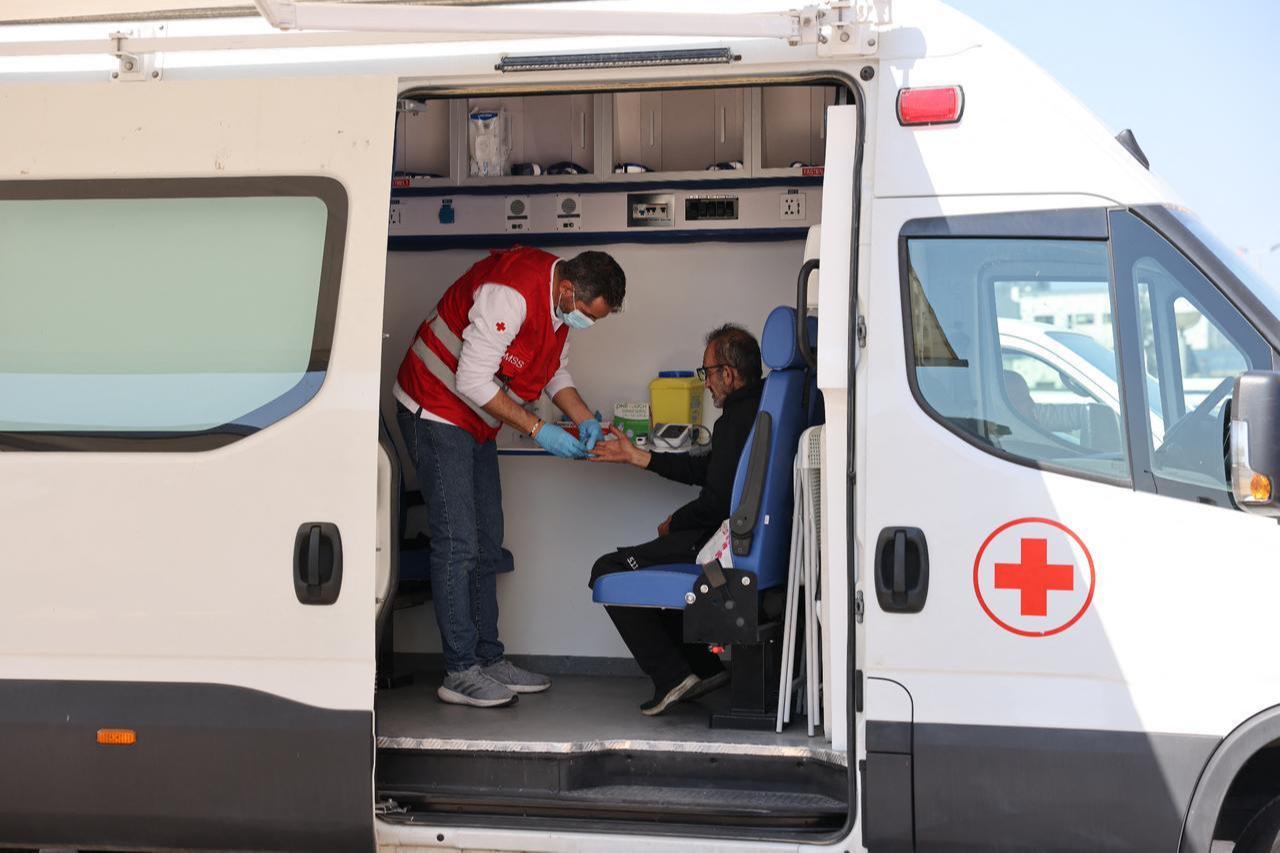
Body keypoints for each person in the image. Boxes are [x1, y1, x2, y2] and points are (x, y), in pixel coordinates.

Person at [394, 247, 625, 708]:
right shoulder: (511, 293)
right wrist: (541, 432)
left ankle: (488, 659)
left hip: (476, 420)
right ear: (567, 290)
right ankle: (460, 670)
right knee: (458, 543)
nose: (587, 324)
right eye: (588, 316)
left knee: (486, 540)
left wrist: (583, 418)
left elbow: (554, 372)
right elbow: (473, 381)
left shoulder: (561, 305)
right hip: (434, 407)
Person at [588, 324, 763, 715]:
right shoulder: (762, 409)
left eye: (707, 373)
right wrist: (639, 457)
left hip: (713, 538)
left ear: (728, 374)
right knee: (632, 567)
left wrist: (675, 522)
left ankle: (671, 676)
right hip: (735, 536)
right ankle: (701, 667)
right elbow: (707, 470)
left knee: (609, 570)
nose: (707, 384)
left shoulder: (736, 420)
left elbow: (716, 500)